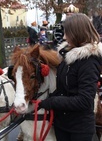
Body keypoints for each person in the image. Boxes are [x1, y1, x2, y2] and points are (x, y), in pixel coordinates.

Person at [39, 13, 102, 141]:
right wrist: (41, 100)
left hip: (79, 129)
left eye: (67, 33)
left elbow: (84, 101)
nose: (64, 37)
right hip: (62, 124)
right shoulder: (66, 56)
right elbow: (63, 90)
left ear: (77, 33)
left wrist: (52, 102)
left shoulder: (89, 61)